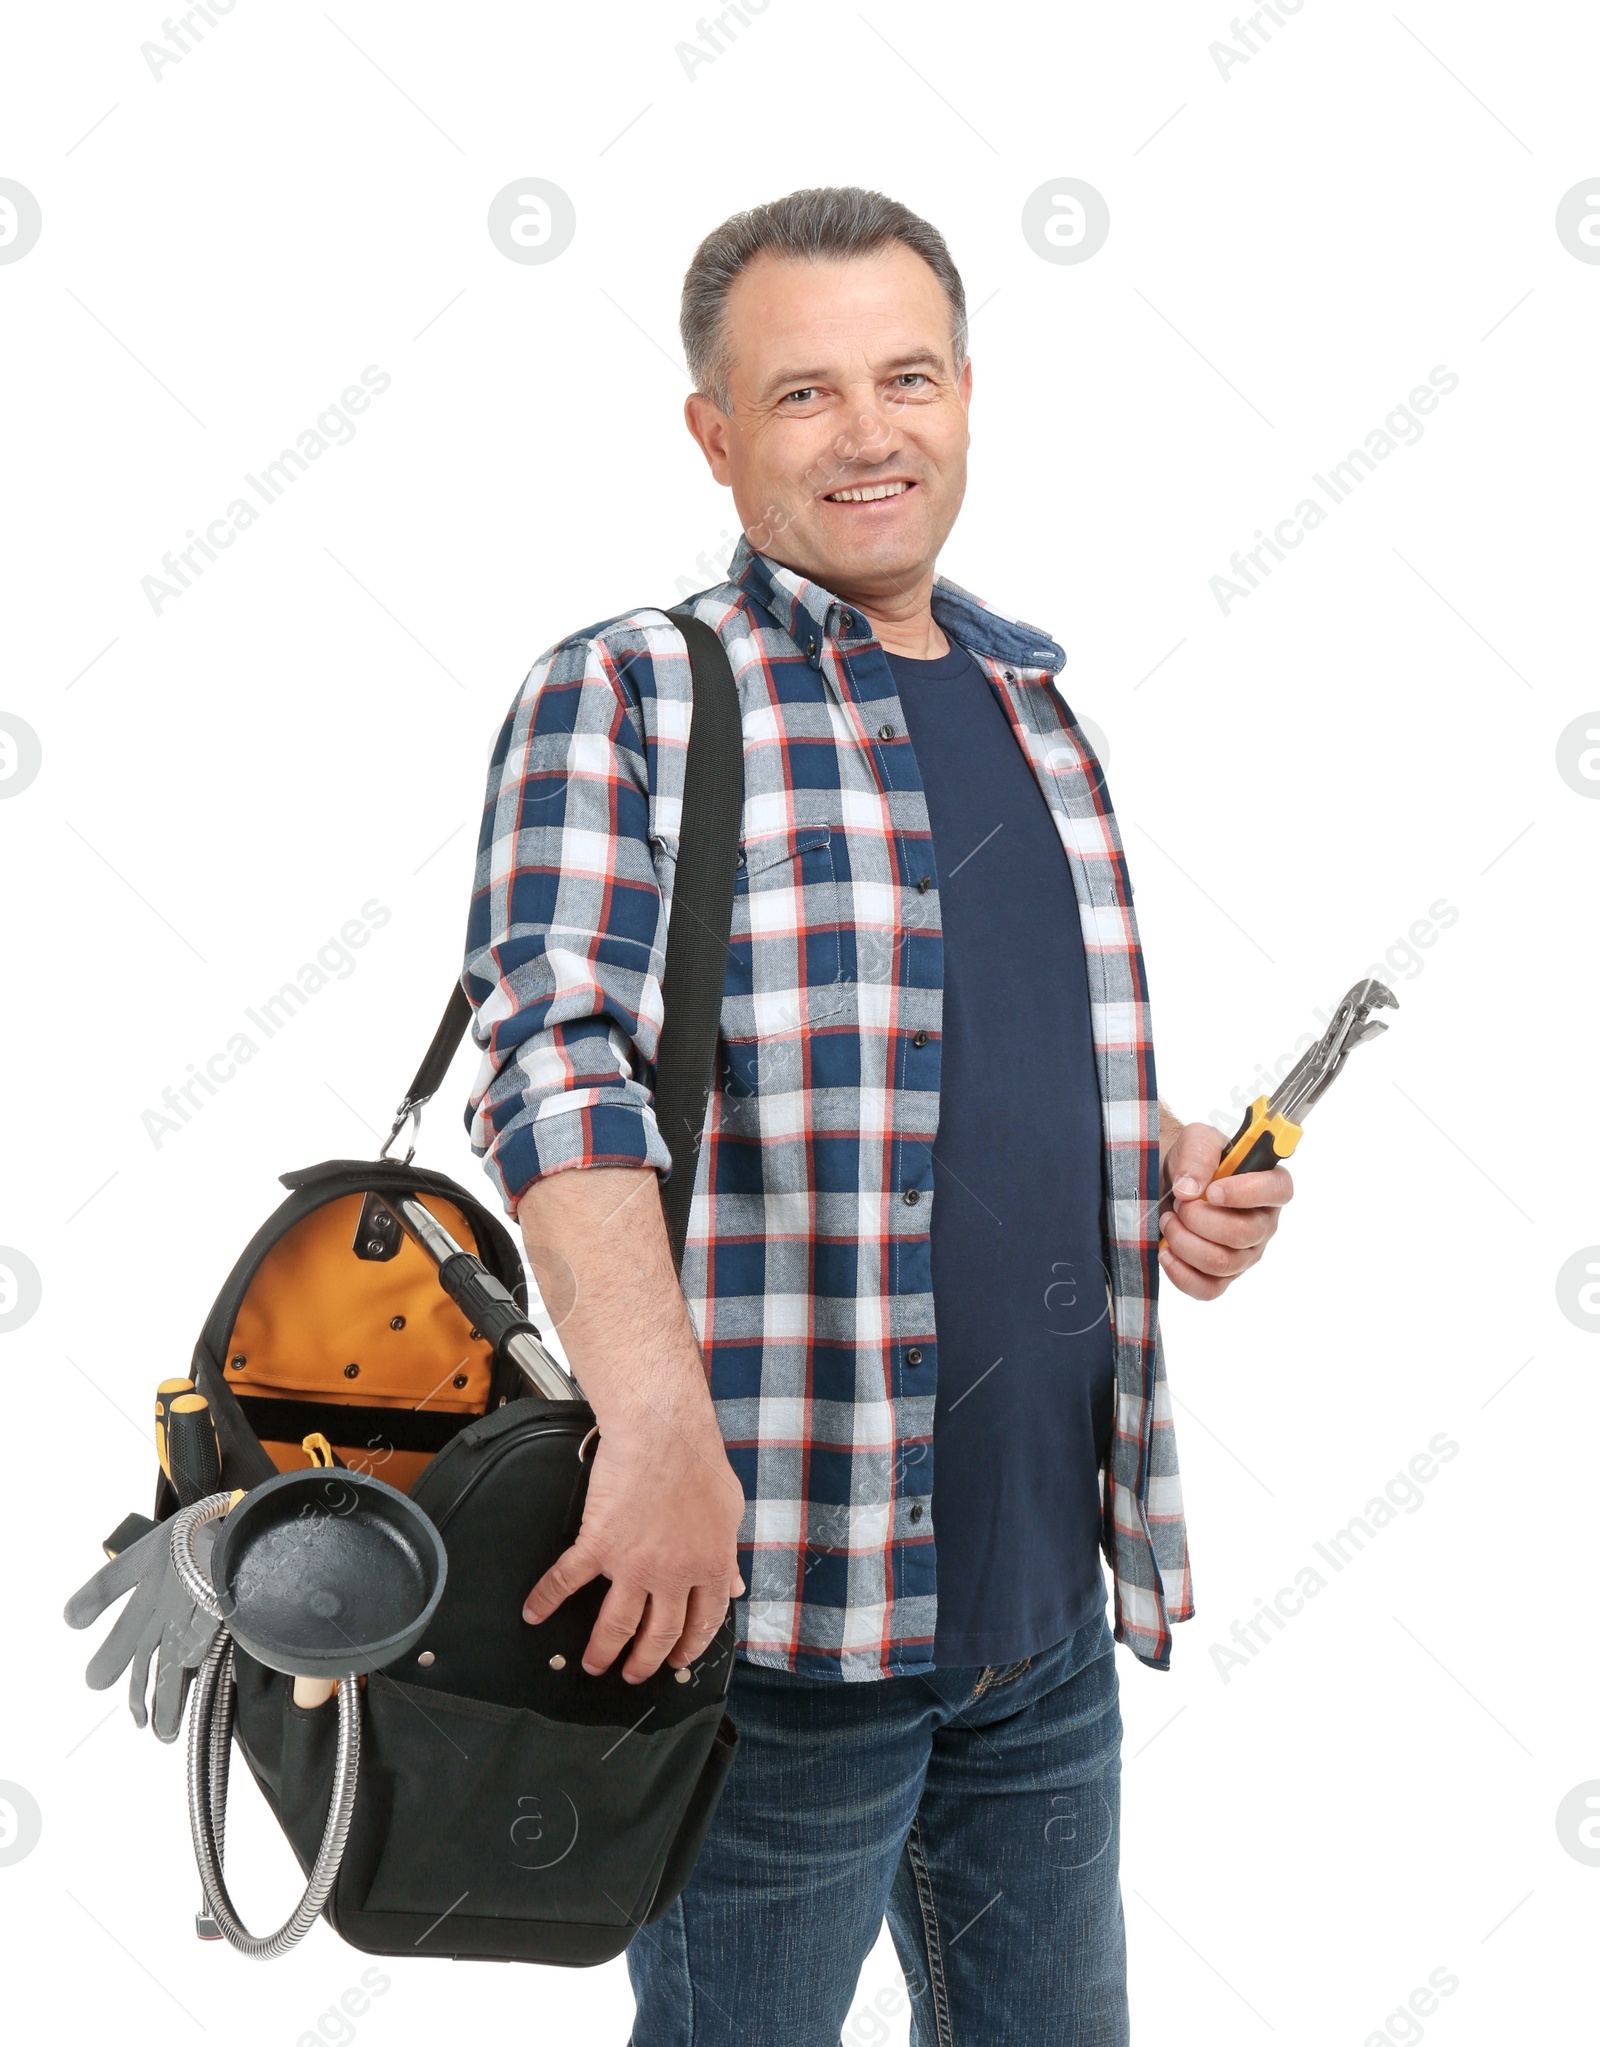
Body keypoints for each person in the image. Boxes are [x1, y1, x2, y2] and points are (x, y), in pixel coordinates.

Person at [461, 186, 1294, 2046]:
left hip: (1046, 1616)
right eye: (805, 392)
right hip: (772, 1615)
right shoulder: (634, 691)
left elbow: (971, 1055)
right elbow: (555, 1063)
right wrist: (659, 1430)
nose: (869, 433)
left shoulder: (1032, 702)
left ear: (969, 397)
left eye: (907, 378)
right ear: (715, 434)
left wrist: (1150, 1175)